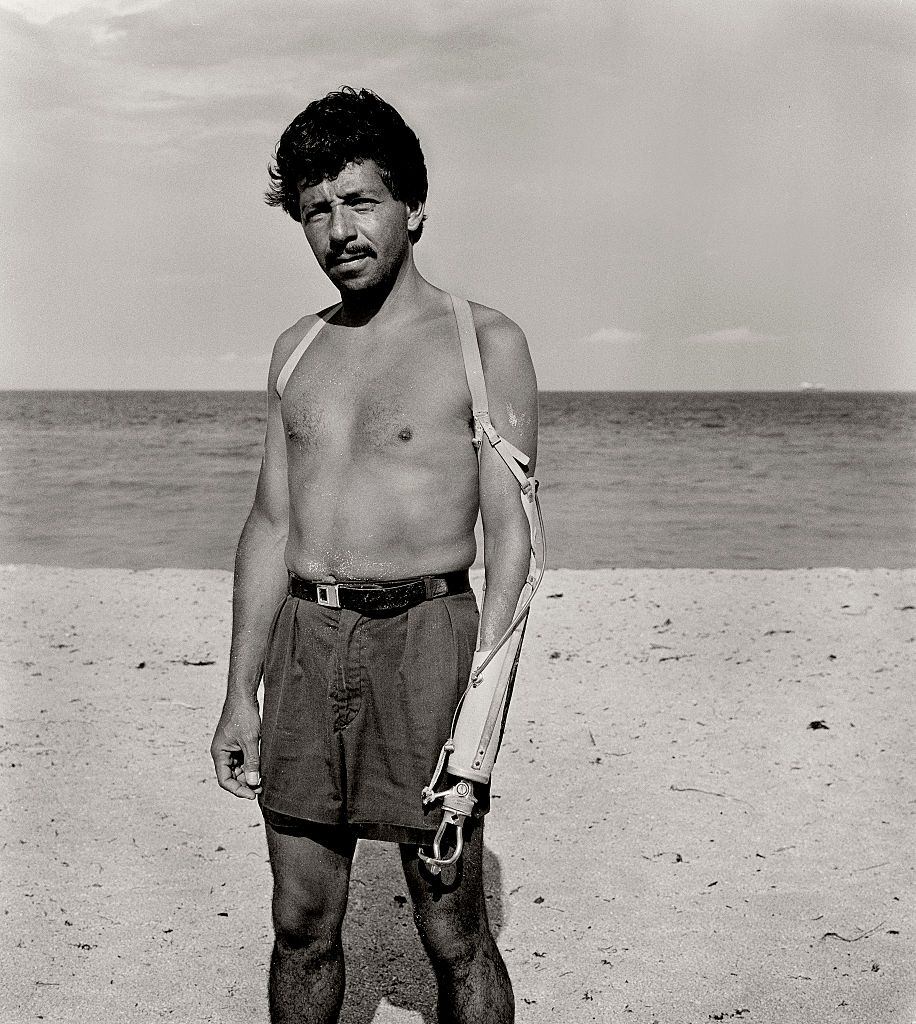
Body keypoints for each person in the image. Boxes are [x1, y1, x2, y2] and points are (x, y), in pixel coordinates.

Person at [209, 86, 537, 1024]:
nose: (338, 229)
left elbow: (515, 543)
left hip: (429, 637)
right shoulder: (295, 350)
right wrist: (240, 690)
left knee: (451, 922)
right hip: (308, 645)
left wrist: (479, 722)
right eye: (317, 209)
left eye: (360, 201)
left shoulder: (484, 343)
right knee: (301, 921)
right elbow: (270, 524)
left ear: (414, 207)